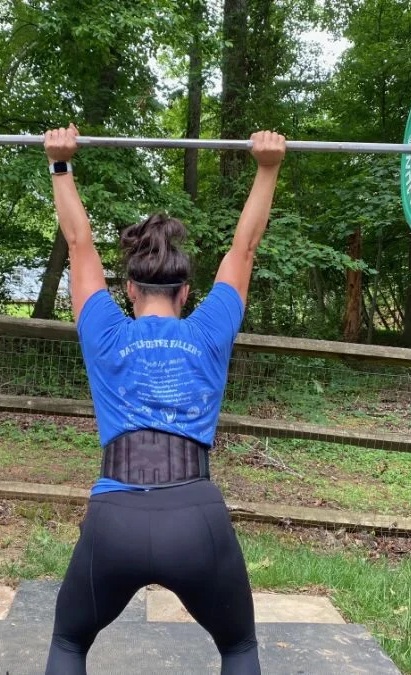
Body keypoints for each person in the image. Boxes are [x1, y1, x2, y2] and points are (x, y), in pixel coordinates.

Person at [42, 123, 286, 675]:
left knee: (69, 643)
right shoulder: (208, 331)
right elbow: (244, 248)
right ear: (185, 293)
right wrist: (268, 167)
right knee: (239, 649)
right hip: (195, 520)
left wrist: (61, 165)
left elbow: (79, 243)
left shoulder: (104, 329)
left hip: (115, 520)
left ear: (128, 289)